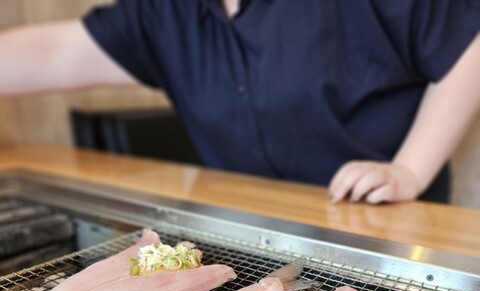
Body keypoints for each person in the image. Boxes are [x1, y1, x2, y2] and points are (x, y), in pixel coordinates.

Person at [1, 0, 480, 205]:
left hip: (383, 226)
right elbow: (52, 55)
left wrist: (409, 170)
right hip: (254, 236)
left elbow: (467, 46)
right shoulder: (163, 13)